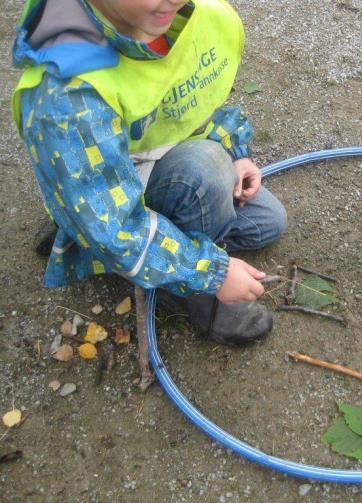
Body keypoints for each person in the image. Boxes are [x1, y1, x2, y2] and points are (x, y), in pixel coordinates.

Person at [11, 0, 287, 344]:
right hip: (107, 202)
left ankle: (163, 247)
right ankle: (190, 291)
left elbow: (191, 106)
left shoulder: (177, 18)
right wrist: (211, 273)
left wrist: (232, 150)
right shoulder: (66, 95)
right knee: (206, 171)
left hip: (164, 166)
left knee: (268, 223)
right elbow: (112, 224)